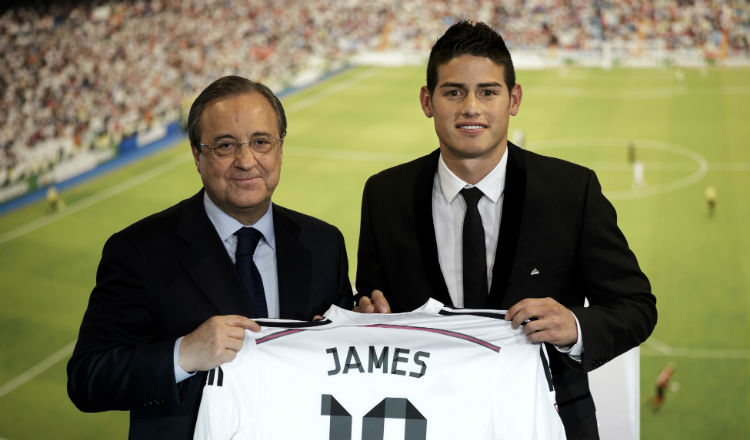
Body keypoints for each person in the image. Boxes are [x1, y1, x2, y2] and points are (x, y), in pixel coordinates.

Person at [355, 21, 657, 439]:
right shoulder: (385, 195)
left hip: (546, 418)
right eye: (453, 91)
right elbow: (370, 301)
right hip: (424, 419)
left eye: (488, 91)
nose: (471, 107)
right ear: (428, 101)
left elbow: (637, 306)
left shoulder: (571, 190)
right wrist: (365, 313)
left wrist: (576, 326)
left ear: (513, 99)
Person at [67, 75, 354, 439]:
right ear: (197, 156)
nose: (246, 160)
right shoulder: (138, 250)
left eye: (261, 142)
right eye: (225, 146)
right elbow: (88, 379)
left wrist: (362, 329)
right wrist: (183, 354)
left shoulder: (323, 242)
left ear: (280, 149)